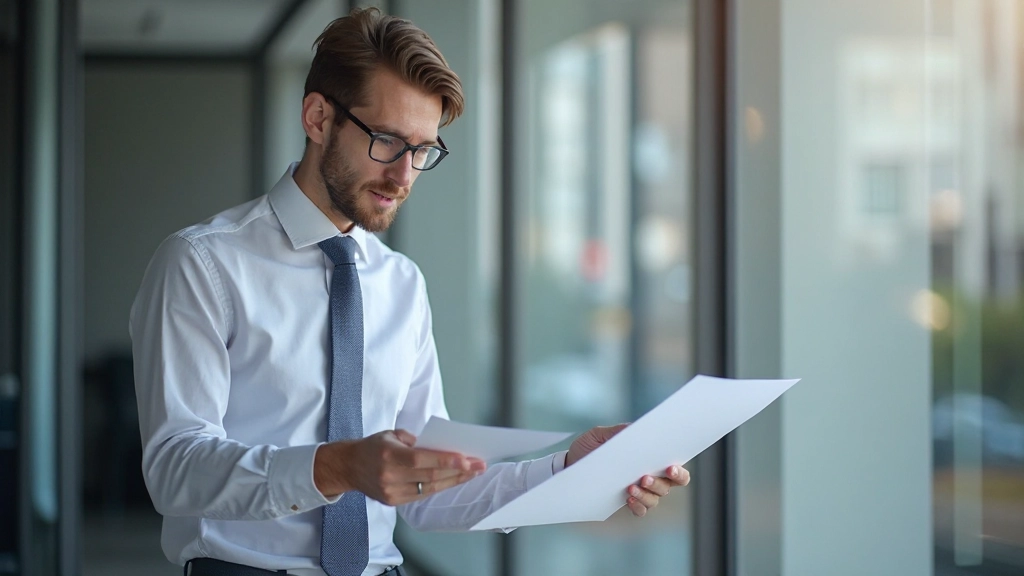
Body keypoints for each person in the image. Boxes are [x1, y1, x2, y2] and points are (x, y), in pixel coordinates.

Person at [130, 7, 689, 576]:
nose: (404, 175)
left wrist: (570, 471)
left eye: (423, 151)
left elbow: (430, 488)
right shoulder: (203, 264)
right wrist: (337, 468)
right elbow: (176, 471)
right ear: (319, 118)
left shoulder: (400, 281)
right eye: (387, 142)